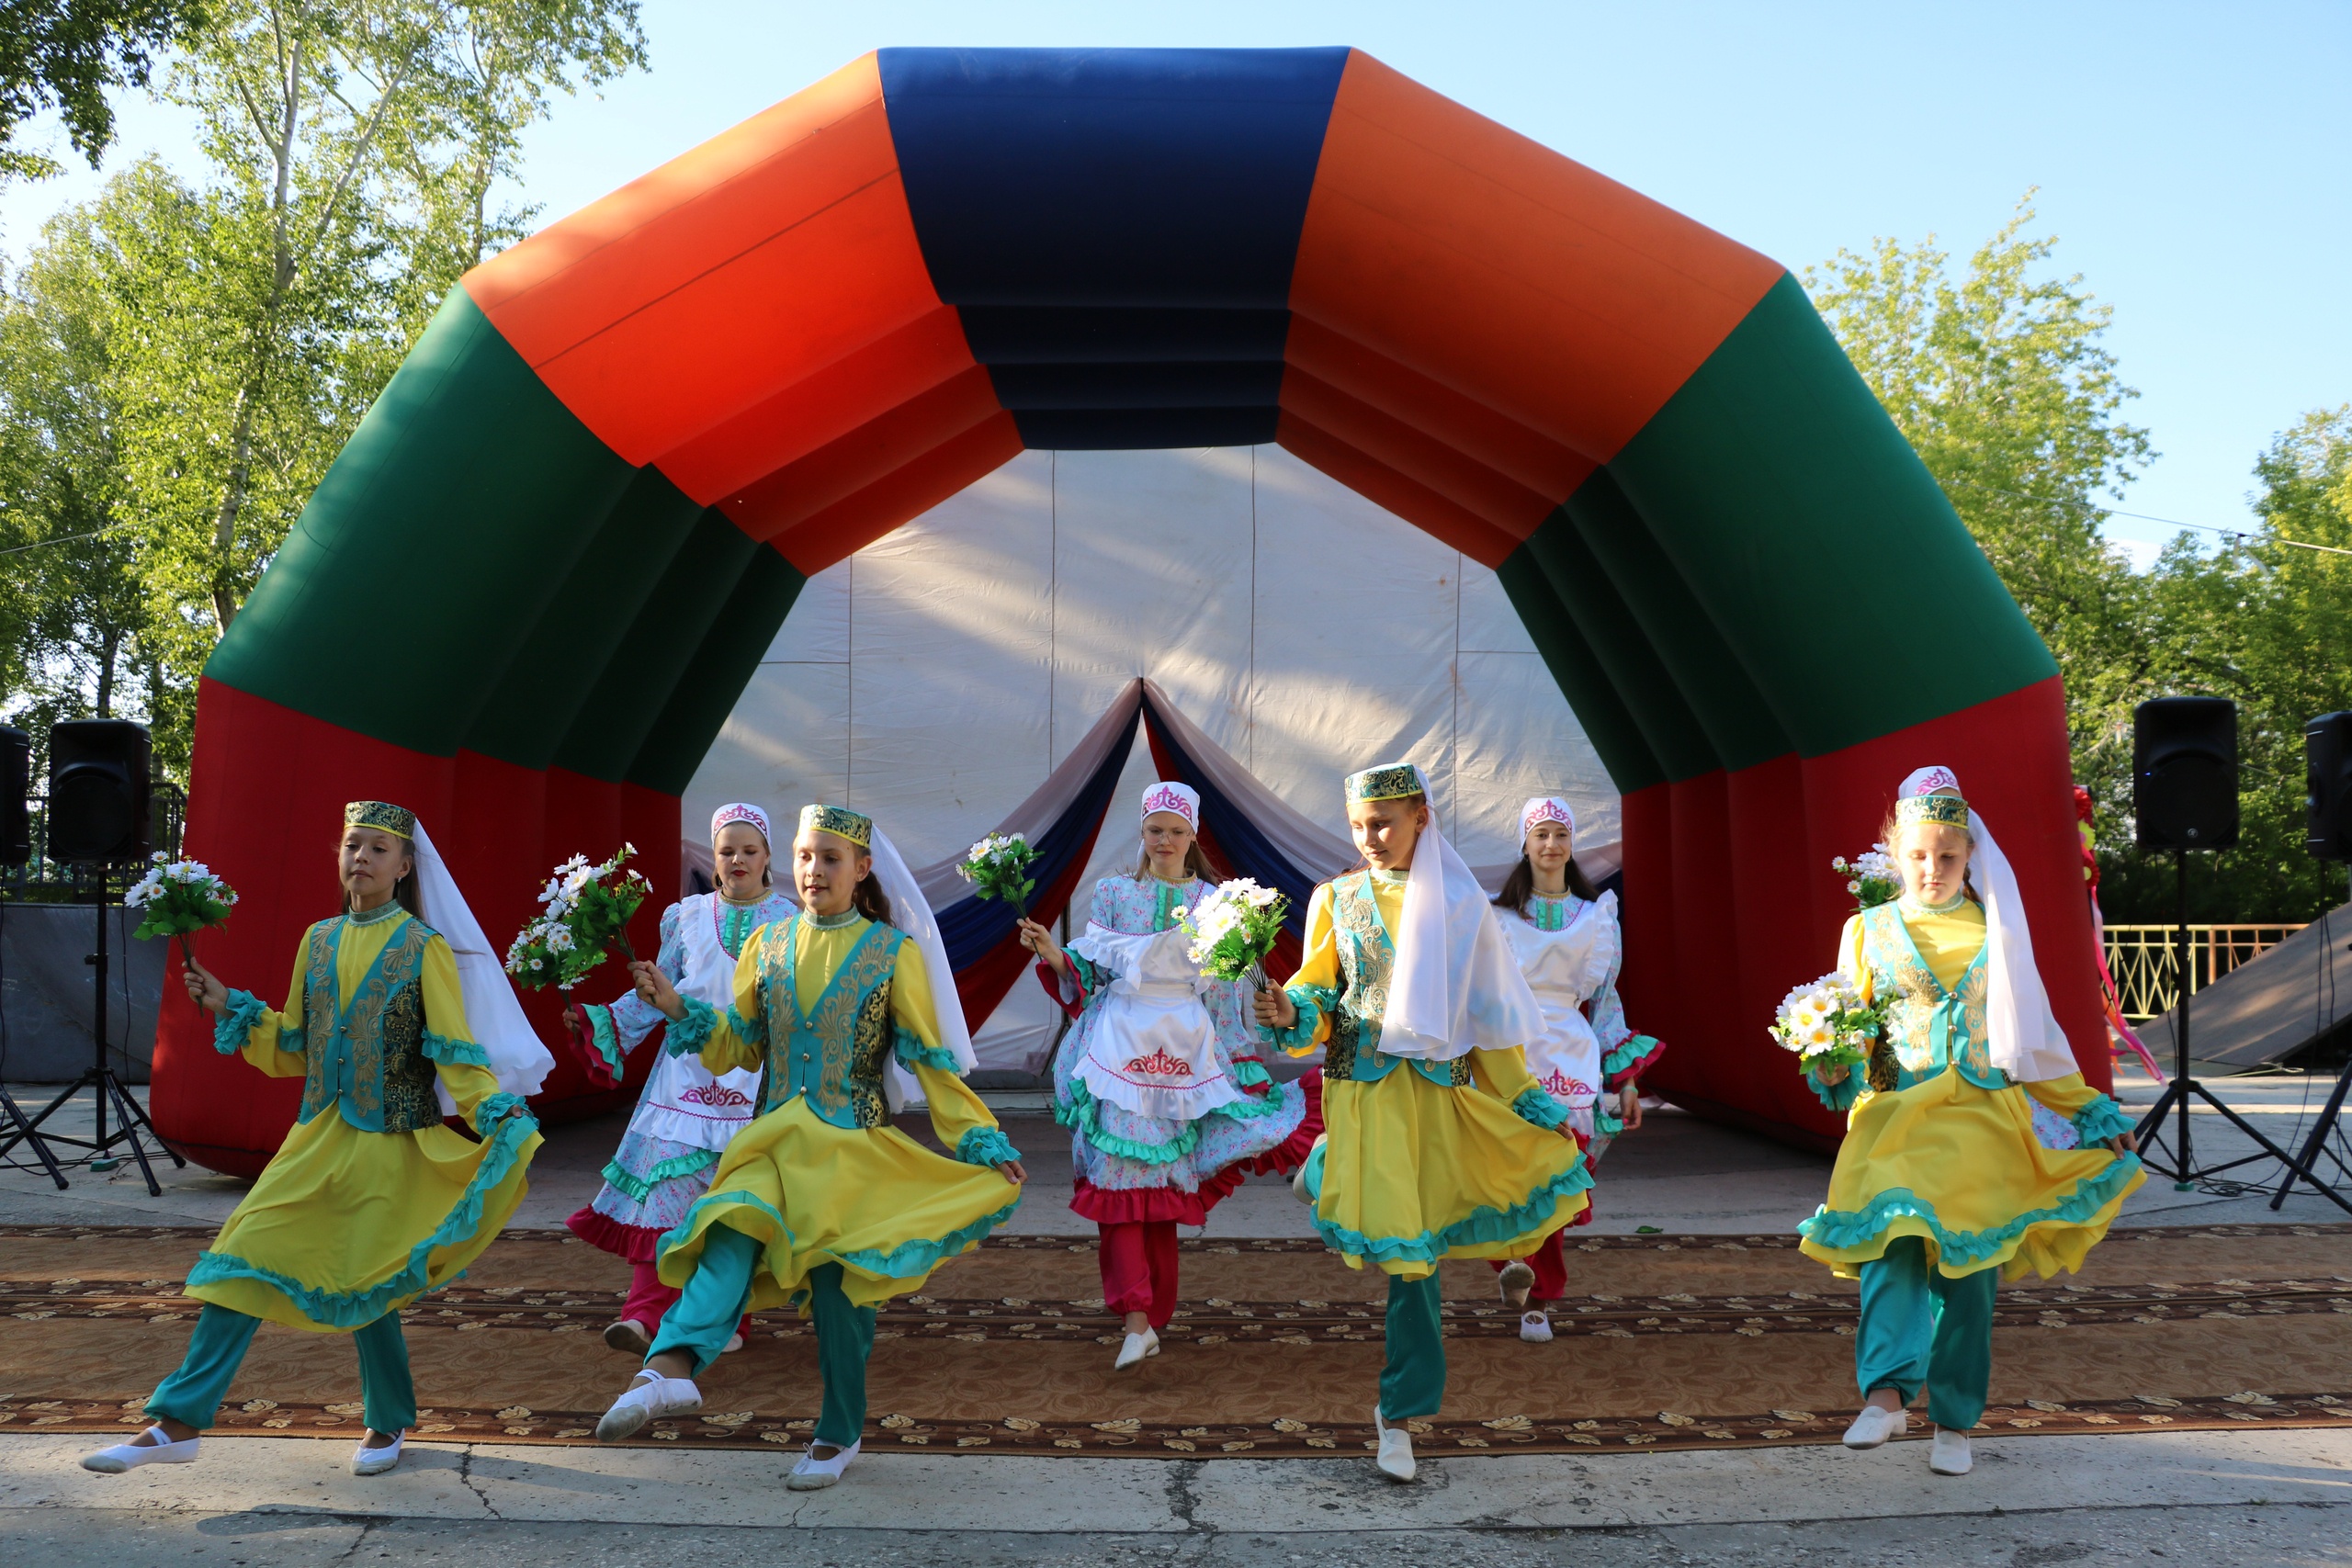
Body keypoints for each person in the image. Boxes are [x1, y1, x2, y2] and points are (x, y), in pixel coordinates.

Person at [81, 801, 548, 1478]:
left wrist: (498, 1113)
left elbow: (454, 1052)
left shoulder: (424, 948)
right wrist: (228, 1004)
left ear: (405, 866)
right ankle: (177, 1421)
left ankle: (387, 1421)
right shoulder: (318, 939)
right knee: (242, 1252)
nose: (361, 856)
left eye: (378, 848)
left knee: (369, 1281)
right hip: (317, 1136)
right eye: (353, 844)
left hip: (394, 1145)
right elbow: (296, 1044)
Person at [594, 804, 1026, 1490]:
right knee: (728, 1227)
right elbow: (738, 1044)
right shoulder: (767, 947)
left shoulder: (891, 952)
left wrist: (976, 1134)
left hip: (852, 1147)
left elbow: (927, 1058)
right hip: (771, 1138)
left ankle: (838, 1428)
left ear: (862, 869)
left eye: (829, 858)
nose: (813, 869)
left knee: (839, 1297)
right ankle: (669, 1368)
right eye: (803, 856)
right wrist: (678, 1008)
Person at [1802, 767, 2143, 1477]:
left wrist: (2092, 1109)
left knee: (1971, 1273)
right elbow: (1851, 1031)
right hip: (1895, 1120)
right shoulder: (1865, 930)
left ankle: (1955, 1420)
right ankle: (1887, 1392)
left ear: (1969, 855)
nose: (1932, 869)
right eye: (1919, 855)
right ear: (1896, 852)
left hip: (1984, 1121)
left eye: (1948, 856)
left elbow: (2035, 1035)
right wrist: (1832, 1064)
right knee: (1893, 1242)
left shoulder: (1997, 929)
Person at [1254, 762, 1589, 1483]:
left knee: (1421, 1252)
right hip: (1365, 1088)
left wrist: (1530, 1100)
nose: (1369, 837)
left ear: (1421, 820)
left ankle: (1395, 1414)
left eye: (1384, 822)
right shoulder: (1335, 898)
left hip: (1438, 1092)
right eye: (1357, 824)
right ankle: (1401, 1412)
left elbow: (1490, 1016)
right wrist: (1291, 1011)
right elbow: (1317, 991)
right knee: (1410, 1256)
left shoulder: (1462, 903)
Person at [1016, 781, 1317, 1370]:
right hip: (1117, 1049)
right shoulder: (1112, 892)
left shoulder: (1218, 902)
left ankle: (1148, 1317)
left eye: (1176, 831)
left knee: (1159, 1189)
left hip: (1185, 1054)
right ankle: (1136, 1317)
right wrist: (1054, 955)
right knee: (1119, 1178)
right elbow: (1092, 970)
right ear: (1142, 832)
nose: (1164, 841)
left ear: (1193, 835)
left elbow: (1231, 987)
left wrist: (1245, 1058)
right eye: (1155, 829)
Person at [561, 802, 796, 1355]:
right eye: (726, 851)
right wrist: (604, 1021)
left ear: (768, 859)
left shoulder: (790, 921)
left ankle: (729, 1321)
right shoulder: (684, 917)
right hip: (681, 1081)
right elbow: (659, 995)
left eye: (749, 850)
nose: (737, 859)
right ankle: (641, 1316)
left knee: (735, 1206)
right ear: (713, 859)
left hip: (755, 1084)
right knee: (661, 1200)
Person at [1488, 795, 1665, 1344]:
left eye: (1559, 835)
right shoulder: (1496, 918)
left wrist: (1628, 1081)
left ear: (1571, 845)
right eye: (1539, 834)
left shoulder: (1596, 918)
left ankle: (1538, 1298)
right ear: (1524, 843)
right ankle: (1511, 1264)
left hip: (1569, 1052)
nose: (1550, 844)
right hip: (1509, 1052)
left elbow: (1608, 1004)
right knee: (1504, 1177)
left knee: (1558, 1180)